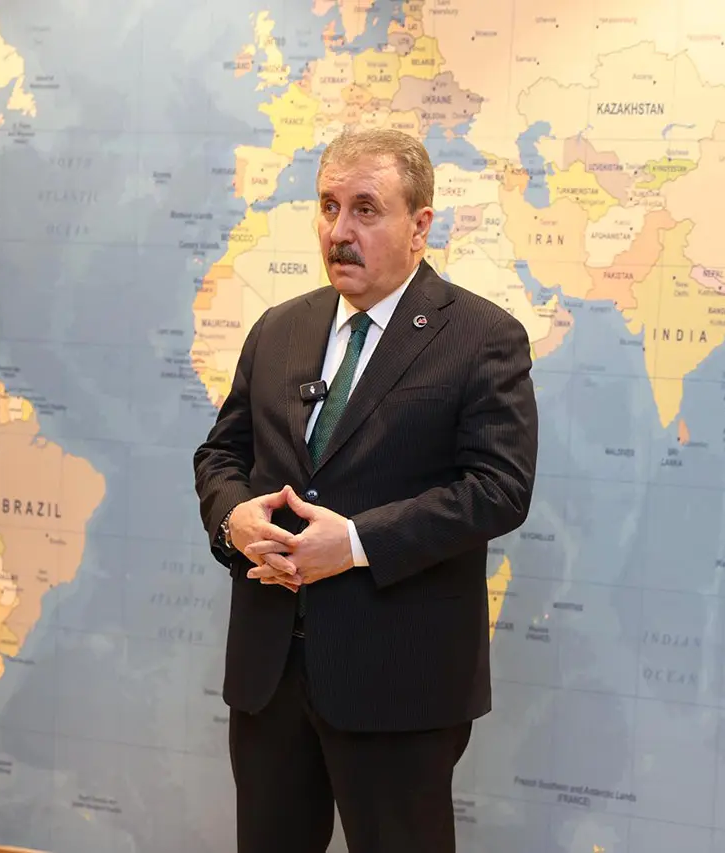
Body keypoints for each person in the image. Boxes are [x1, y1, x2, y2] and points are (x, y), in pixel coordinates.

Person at [194, 127, 539, 853]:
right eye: (328, 207)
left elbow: (499, 488)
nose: (339, 231)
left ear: (420, 225)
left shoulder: (482, 337)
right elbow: (222, 453)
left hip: (398, 680)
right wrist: (234, 520)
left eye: (365, 209)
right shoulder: (278, 329)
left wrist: (353, 543)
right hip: (269, 672)